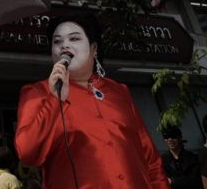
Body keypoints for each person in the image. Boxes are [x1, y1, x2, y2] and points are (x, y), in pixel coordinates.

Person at [14, 14, 170, 188]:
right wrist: (55, 100)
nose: (64, 46)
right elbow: (28, 153)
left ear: (94, 48)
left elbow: (150, 158)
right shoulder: (38, 92)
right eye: (57, 41)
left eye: (74, 38)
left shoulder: (119, 91)